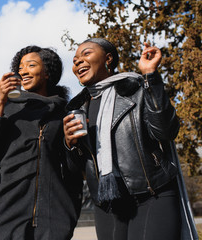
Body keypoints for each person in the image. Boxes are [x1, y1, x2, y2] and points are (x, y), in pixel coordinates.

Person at [63, 38, 182, 240]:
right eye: (75, 60)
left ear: (108, 58)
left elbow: (165, 131)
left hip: (151, 193)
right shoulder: (77, 109)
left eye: (86, 54)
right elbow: (76, 170)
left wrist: (151, 77)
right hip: (109, 202)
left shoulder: (135, 88)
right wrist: (70, 144)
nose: (78, 62)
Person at [0, 46, 83, 240]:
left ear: (47, 73)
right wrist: (1, 101)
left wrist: (70, 144)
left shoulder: (64, 114)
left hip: (54, 220)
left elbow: (74, 169)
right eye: (20, 67)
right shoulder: (6, 110)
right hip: (6, 217)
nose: (23, 71)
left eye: (31, 65)